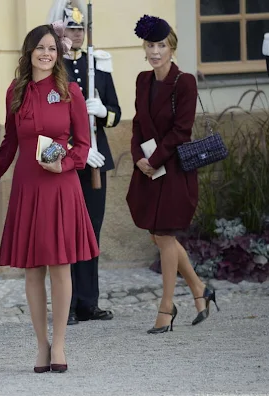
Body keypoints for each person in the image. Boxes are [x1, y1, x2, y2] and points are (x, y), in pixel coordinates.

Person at [0, 23, 99, 373]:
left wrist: (65, 164)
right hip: (27, 186)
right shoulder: (15, 92)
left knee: (60, 265)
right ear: (29, 52)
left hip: (60, 186)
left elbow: (82, 145)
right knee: (33, 269)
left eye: (52, 48)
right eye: (40, 47)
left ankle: (60, 345)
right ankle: (41, 345)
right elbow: (9, 144)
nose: (46, 53)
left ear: (58, 53)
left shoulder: (71, 92)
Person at [127, 15, 219, 334]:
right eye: (150, 45)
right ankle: (199, 289)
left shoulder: (185, 82)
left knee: (165, 236)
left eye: (161, 46)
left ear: (172, 48)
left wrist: (154, 159)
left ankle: (167, 307)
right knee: (157, 234)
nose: (155, 52)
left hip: (175, 170)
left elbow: (182, 131)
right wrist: (139, 157)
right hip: (149, 169)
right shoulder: (142, 80)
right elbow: (138, 123)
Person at [47, 0, 120, 325]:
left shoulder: (97, 66)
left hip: (96, 162)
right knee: (66, 233)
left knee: (92, 231)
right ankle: (70, 303)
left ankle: (89, 302)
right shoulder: (53, 66)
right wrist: (76, 146)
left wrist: (103, 111)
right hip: (68, 162)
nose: (76, 34)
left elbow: (116, 114)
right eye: (71, 28)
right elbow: (51, 120)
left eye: (80, 29)